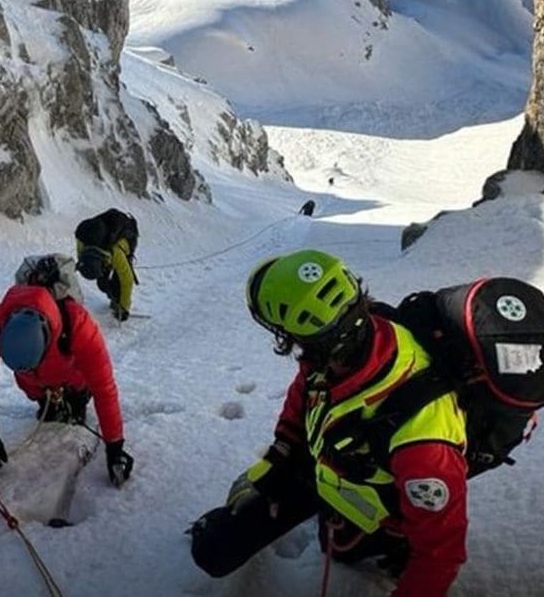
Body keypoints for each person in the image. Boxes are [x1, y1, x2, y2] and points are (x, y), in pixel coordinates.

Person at [189, 250, 467, 596]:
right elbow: (305, 390)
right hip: (327, 466)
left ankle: (388, 540)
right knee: (214, 549)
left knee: (341, 549)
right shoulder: (348, 339)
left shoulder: (424, 441)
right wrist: (282, 452)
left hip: (377, 503)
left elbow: (441, 554)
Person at [0, 282, 134, 487]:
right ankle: (50, 402)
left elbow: (104, 387)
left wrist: (115, 446)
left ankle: (75, 400)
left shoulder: (79, 325)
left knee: (76, 403)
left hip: (73, 377)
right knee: (48, 407)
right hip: (35, 385)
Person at [74, 208, 139, 321]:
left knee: (118, 283)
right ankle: (113, 296)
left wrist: (124, 308)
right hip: (104, 240)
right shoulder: (82, 238)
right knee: (102, 283)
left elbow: (127, 280)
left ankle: (118, 302)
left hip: (127, 235)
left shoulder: (116, 253)